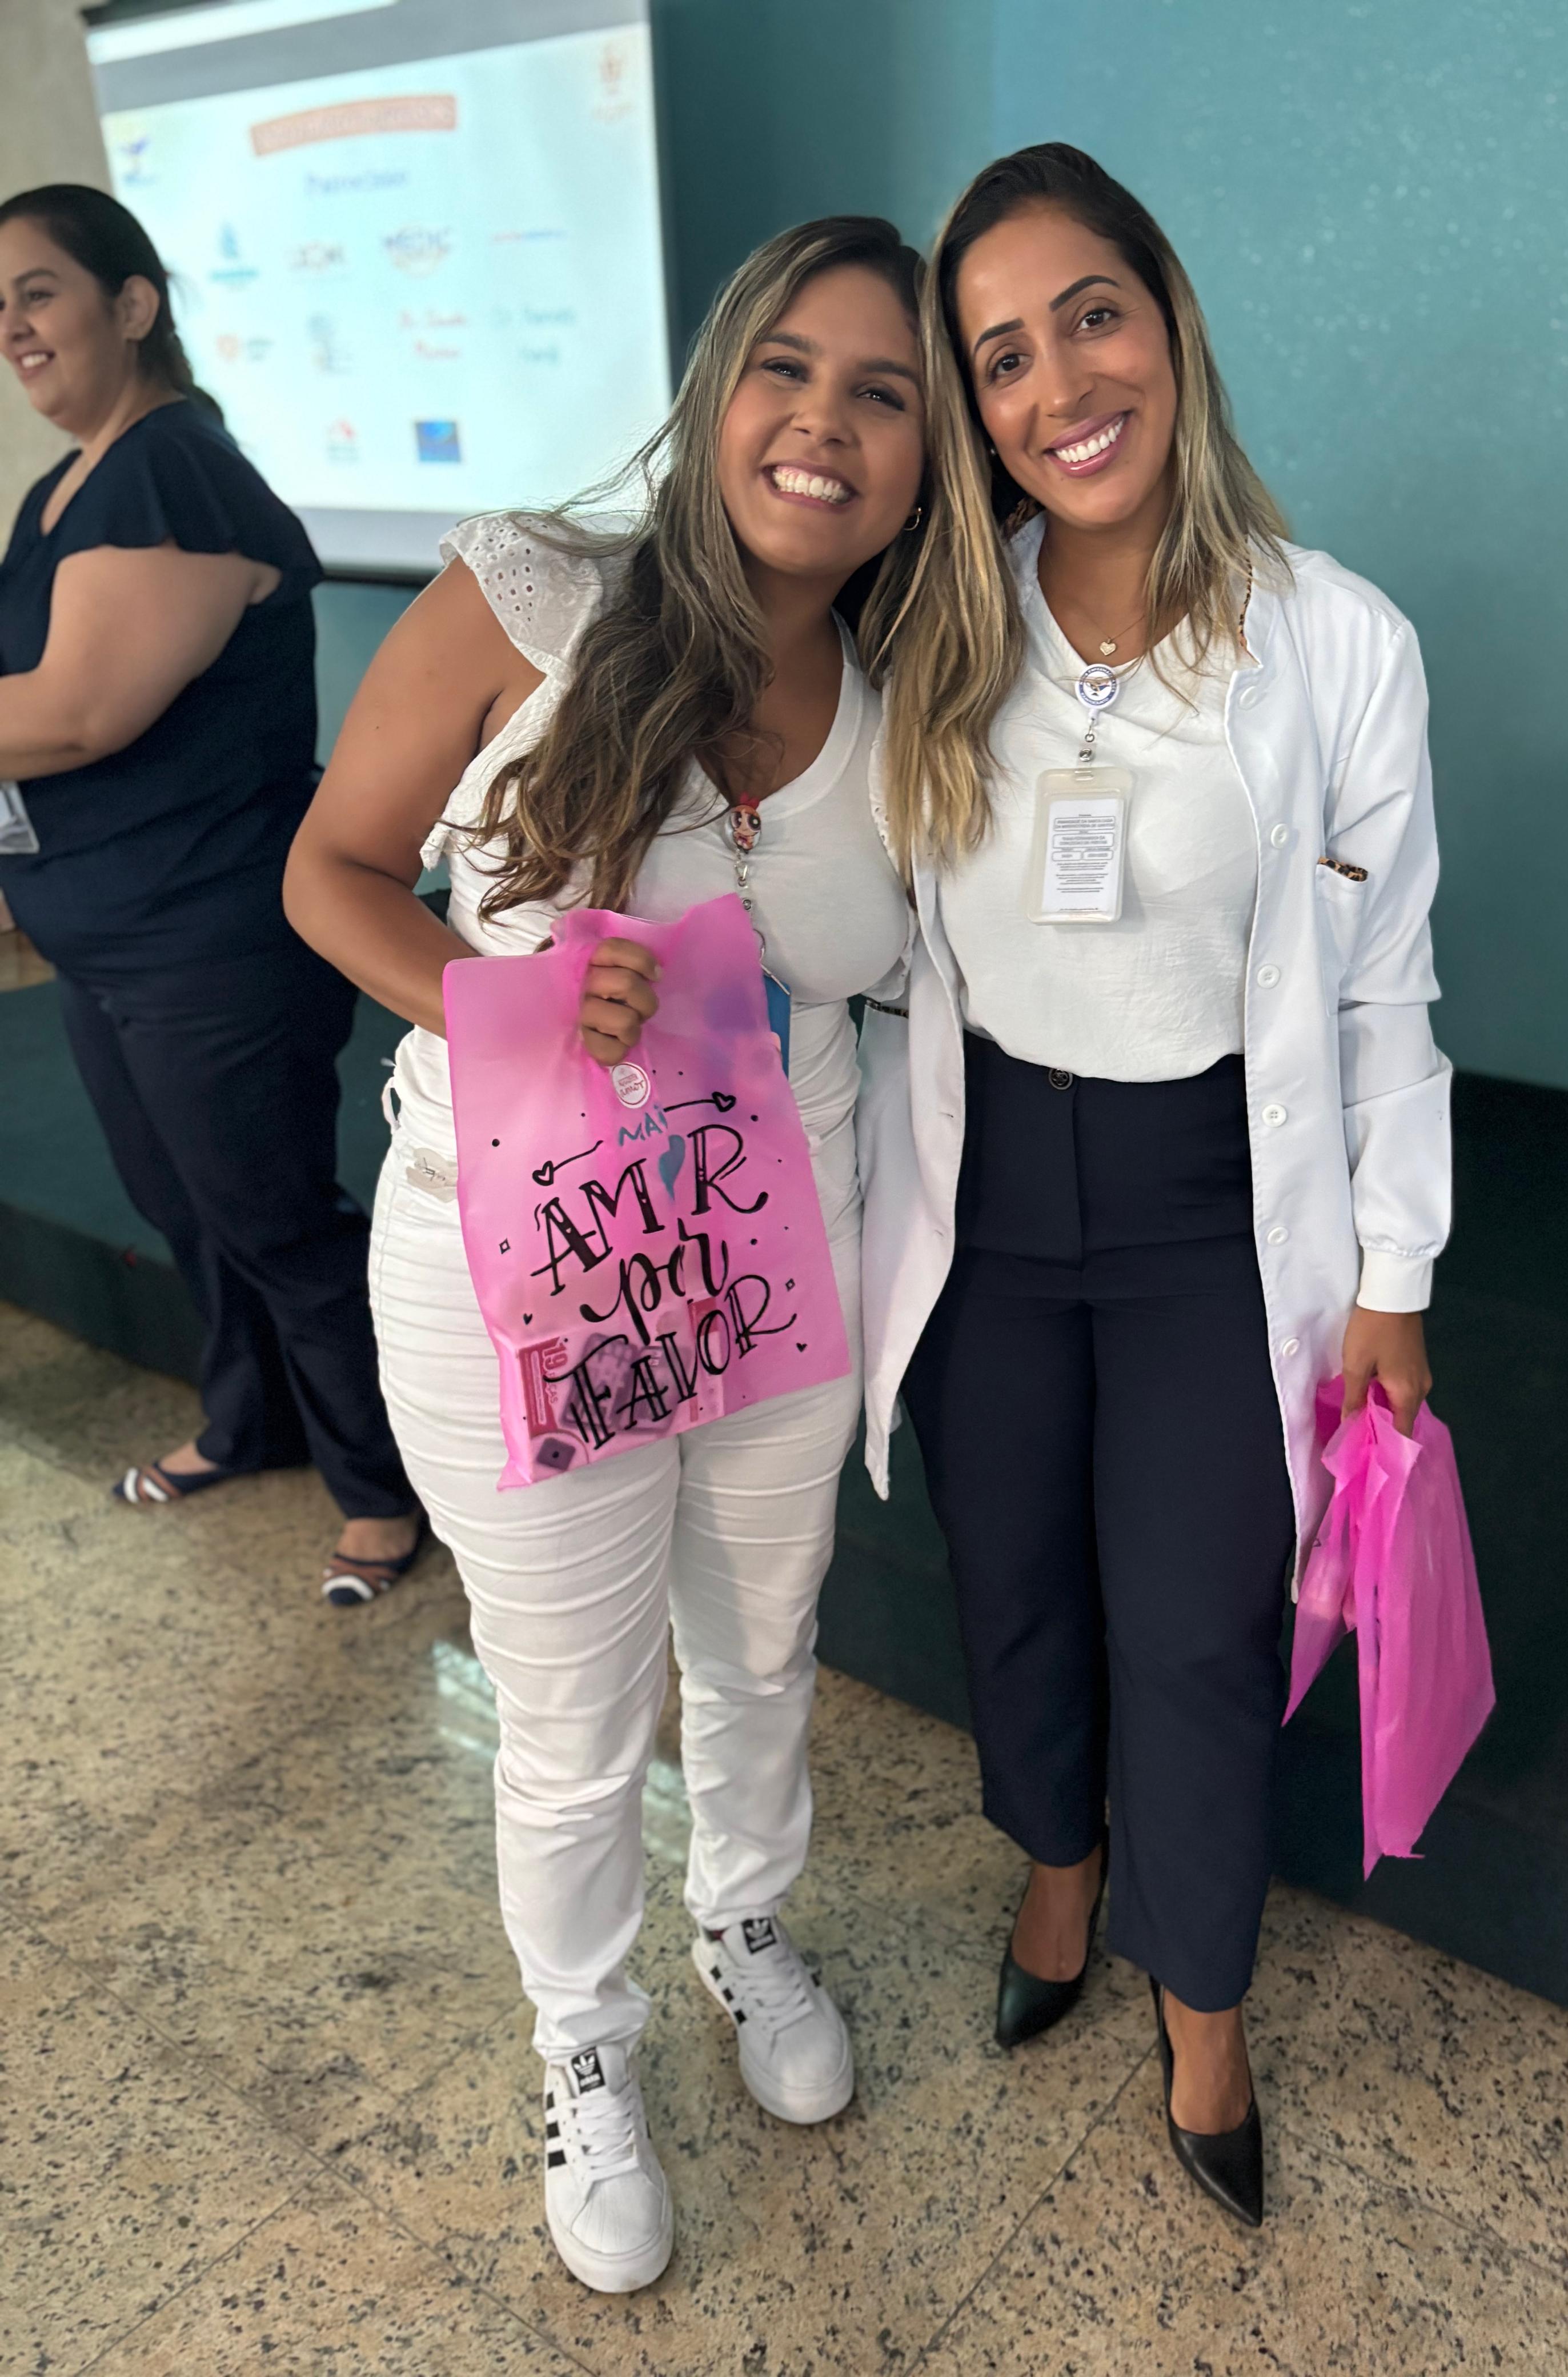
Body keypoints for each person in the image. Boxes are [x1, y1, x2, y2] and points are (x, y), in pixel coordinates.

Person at [284, 217, 927, 2294]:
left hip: (778, 1247)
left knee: (760, 1650)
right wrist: (502, 996)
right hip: (520, 1255)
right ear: (718, 384)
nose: (824, 424)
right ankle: (586, 2045)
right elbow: (331, 867)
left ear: (926, 458)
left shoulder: (910, 686)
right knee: (569, 1714)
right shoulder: (534, 596)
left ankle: (746, 1923)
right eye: (788, 369)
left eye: (885, 394)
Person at [859, 145, 1450, 2231]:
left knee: (1200, 1624)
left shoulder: (1340, 642)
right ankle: (1059, 1863)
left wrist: (1395, 1272)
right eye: (1001, 356)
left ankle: (1204, 1998)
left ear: (1169, 319)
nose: (1059, 387)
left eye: (1091, 317)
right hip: (990, 1191)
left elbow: (1386, 989)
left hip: (1220, 1197)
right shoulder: (935, 629)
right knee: (1012, 1576)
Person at [0, 184, 418, 1602]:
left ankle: (383, 1488)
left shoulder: (173, 471)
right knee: (186, 1207)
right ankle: (251, 1424)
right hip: (105, 935)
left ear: (133, 304)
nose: (13, 325)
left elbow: (78, 712)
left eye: (40, 291)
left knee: (277, 1218)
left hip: (211, 939)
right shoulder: (60, 489)